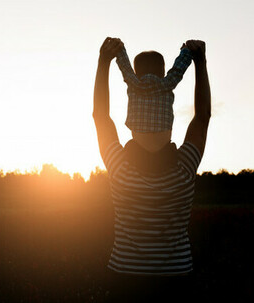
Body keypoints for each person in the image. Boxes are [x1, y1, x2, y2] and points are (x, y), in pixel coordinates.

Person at [93, 37, 211, 302]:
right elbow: (202, 117)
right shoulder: (184, 167)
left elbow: (100, 116)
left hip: (125, 279)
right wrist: (200, 63)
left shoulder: (119, 167)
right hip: (176, 280)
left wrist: (103, 63)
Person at [115, 41, 193, 152]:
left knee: (129, 148)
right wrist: (186, 51)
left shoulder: (133, 83)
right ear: (162, 72)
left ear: (136, 73)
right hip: (164, 150)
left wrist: (119, 49)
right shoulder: (168, 83)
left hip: (138, 149)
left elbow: (125, 66)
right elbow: (178, 69)